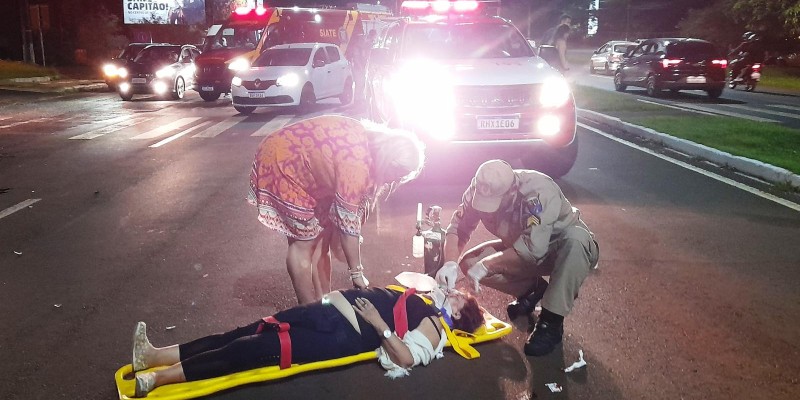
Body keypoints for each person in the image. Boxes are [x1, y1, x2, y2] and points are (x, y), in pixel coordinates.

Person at [130, 286, 484, 397]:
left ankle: (158, 378)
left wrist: (378, 323)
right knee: (240, 333)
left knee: (246, 351)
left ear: (459, 315)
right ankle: (153, 355)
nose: (452, 291)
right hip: (328, 311)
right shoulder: (425, 299)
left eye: (457, 297)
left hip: (337, 335)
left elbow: (405, 359)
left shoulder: (436, 328)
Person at [248, 115, 426, 305]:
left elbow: (343, 227)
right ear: (389, 159)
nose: (395, 181)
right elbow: (348, 224)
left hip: (307, 167)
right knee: (303, 243)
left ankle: (324, 301)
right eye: (398, 174)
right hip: (283, 160)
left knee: (322, 238)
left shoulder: (370, 144)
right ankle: (307, 309)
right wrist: (357, 273)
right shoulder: (357, 164)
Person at [435, 160, 598, 357]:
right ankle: (532, 291)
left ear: (511, 192)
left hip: (558, 250)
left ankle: (551, 322)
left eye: (494, 202)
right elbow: (458, 229)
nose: (487, 209)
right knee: (469, 263)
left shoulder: (539, 191)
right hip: (521, 247)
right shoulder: (480, 188)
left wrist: (488, 264)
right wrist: (450, 263)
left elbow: (533, 250)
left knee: (576, 240)